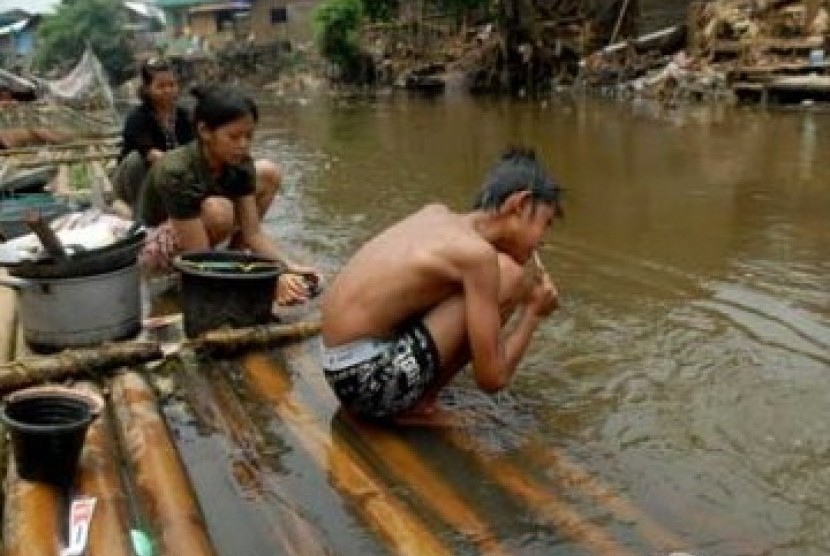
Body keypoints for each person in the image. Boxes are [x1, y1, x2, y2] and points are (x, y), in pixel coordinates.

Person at [320, 148, 562, 425]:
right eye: (546, 223)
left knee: (491, 280)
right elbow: (493, 380)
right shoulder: (477, 257)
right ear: (520, 204)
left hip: (339, 368)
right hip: (366, 385)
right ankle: (420, 405)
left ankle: (414, 395)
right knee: (508, 277)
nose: (544, 240)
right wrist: (533, 313)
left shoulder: (436, 214)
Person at [137, 84, 318, 305]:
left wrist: (287, 266)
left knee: (268, 173)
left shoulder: (240, 163)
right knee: (219, 211)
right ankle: (225, 270)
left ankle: (235, 256)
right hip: (154, 244)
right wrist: (268, 281)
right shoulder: (176, 171)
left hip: (193, 232)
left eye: (249, 136)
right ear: (205, 132)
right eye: (233, 137)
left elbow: (253, 234)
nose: (243, 145)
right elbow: (201, 256)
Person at [112, 58, 194, 212]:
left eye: (172, 85)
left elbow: (191, 148)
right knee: (135, 159)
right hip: (135, 180)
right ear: (147, 89)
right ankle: (139, 212)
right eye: (161, 86)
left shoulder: (183, 116)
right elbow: (151, 154)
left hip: (169, 176)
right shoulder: (138, 118)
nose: (168, 90)